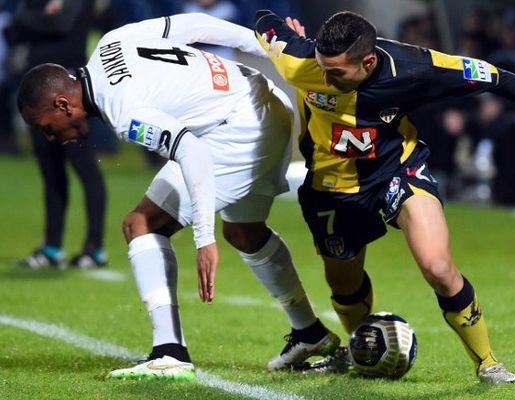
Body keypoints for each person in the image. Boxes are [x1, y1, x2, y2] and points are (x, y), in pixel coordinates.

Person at [252, 10, 515, 383]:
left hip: (396, 170)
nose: (324, 78)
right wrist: (290, 35)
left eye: (336, 72)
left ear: (368, 61)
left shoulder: (414, 67)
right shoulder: (300, 58)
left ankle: (488, 363)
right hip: (331, 189)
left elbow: (494, 77)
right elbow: (262, 19)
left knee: (437, 267)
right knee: (344, 285)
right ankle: (362, 350)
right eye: (321, 67)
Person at [16, 12, 339, 380]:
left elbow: (193, 153)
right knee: (245, 232)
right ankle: (310, 333)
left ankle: (169, 352)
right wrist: (281, 49)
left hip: (238, 130)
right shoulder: (111, 42)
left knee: (141, 224)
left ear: (62, 104)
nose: (50, 137)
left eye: (45, 127)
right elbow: (198, 24)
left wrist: (204, 238)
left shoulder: (123, 111)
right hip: (261, 97)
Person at [6, 0, 108, 268]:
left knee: (86, 169)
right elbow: (13, 30)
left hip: (69, 98)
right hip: (40, 100)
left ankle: (95, 248)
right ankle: (52, 247)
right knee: (51, 173)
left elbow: (60, 24)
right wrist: (40, 17)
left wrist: (32, 20)